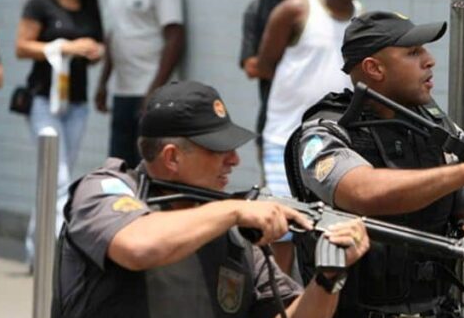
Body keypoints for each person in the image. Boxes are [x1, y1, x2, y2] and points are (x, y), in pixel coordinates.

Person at [291, 11, 464, 317]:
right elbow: (362, 192)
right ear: (374, 68)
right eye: (413, 52)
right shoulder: (325, 131)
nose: (429, 60)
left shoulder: (434, 130)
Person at [56, 80, 370, 317]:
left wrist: (328, 278)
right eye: (218, 148)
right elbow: (139, 247)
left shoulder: (234, 234)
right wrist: (233, 210)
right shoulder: (106, 189)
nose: (234, 160)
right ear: (172, 157)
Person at [254, 0, 366, 274]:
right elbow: (264, 64)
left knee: (328, 228)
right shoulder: (295, 10)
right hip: (283, 139)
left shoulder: (360, 14)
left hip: (333, 143)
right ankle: (278, 301)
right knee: (281, 231)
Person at [14, 0, 104, 268]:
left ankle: (34, 251)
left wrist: (93, 51)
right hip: (43, 99)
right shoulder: (40, 3)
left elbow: (97, 45)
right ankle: (53, 256)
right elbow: (21, 47)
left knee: (54, 176)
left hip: (76, 102)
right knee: (60, 175)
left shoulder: (89, 6)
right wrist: (65, 46)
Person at [95, 0, 185, 168]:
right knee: (118, 167)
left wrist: (154, 91)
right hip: (122, 91)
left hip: (150, 93)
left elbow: (175, 37)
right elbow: (114, 33)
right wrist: (103, 82)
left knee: (149, 169)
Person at [240, 0, 320, 185]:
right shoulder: (257, 8)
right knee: (279, 202)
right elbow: (250, 66)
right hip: (276, 125)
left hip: (320, 120)